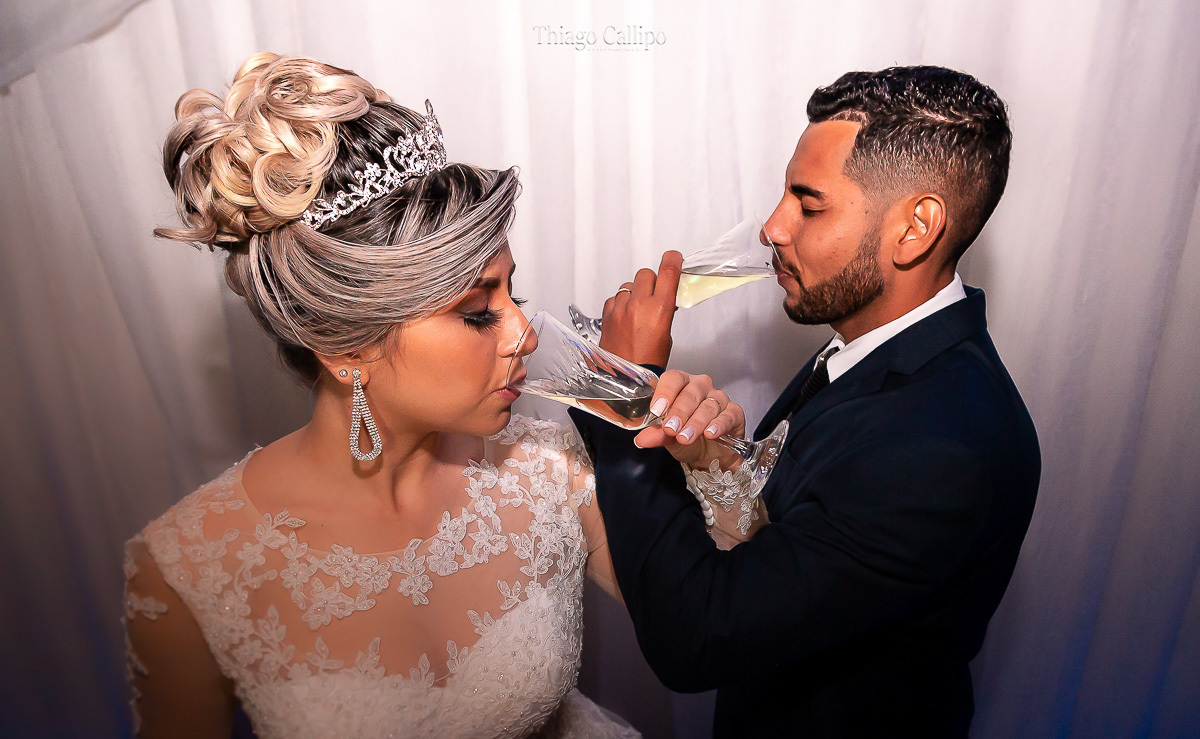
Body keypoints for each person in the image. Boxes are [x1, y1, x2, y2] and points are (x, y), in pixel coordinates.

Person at [122, 52, 754, 739]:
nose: (524, 333)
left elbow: (722, 622)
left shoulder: (548, 471)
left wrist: (711, 462)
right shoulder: (187, 569)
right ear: (347, 349)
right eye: (478, 312)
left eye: (513, 294)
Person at [576, 65, 1042, 737]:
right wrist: (722, 465)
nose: (772, 226)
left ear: (916, 227)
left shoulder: (942, 445)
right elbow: (793, 534)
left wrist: (625, 392)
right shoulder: (876, 350)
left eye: (809, 204)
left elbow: (699, 634)